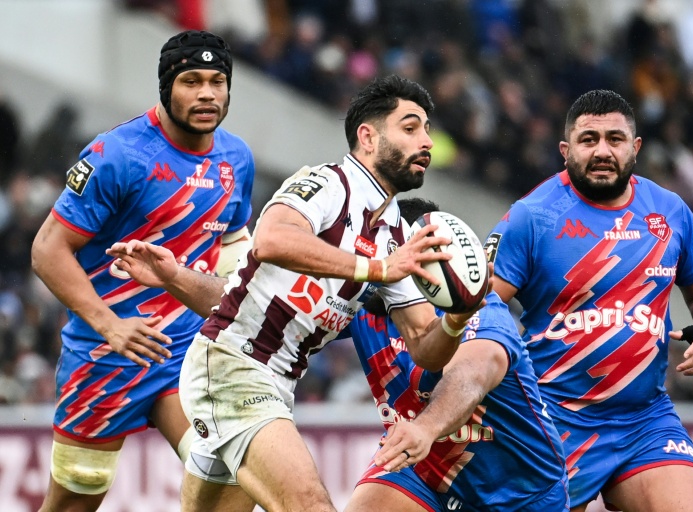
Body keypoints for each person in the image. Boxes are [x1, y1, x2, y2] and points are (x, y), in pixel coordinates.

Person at [106, 74, 489, 512]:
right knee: (311, 505)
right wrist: (379, 268)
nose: (427, 142)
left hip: (277, 383)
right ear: (368, 136)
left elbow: (425, 346)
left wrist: (457, 317)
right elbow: (271, 240)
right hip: (232, 366)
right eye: (410, 127)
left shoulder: (398, 233)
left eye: (426, 130)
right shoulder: (328, 184)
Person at [30, 30, 256, 512]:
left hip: (187, 354)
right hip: (107, 352)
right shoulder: (117, 154)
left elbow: (234, 244)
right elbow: (47, 249)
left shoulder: (236, 158)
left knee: (230, 475)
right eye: (191, 81)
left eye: (218, 82)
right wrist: (109, 324)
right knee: (78, 490)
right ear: (166, 86)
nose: (207, 94)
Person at [486, 89, 693, 512]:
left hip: (646, 419)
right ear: (566, 151)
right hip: (554, 420)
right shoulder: (532, 216)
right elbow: (480, 305)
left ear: (635, 148)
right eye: (588, 140)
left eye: (615, 139)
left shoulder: (668, 211)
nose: (602, 151)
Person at [340, 197, 569, 512]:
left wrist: (425, 428)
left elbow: (469, 377)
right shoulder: (361, 304)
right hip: (422, 476)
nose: (368, 255)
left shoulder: (478, 310)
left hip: (520, 494)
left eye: (380, 246)